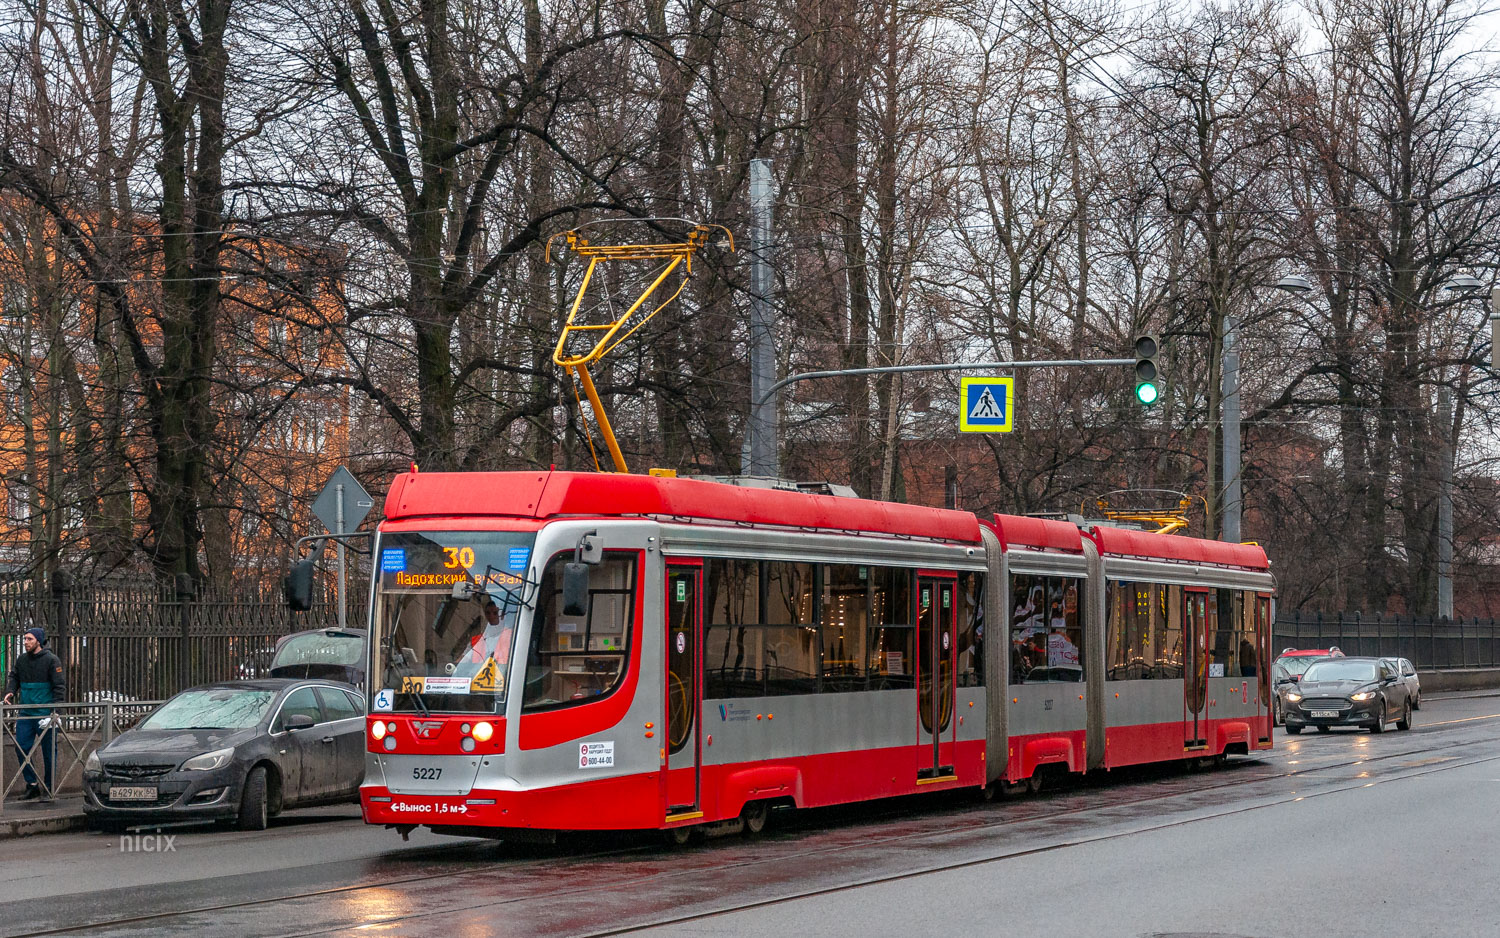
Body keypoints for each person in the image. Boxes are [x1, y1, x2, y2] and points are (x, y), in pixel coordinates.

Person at [3, 627, 66, 801]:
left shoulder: (52, 660)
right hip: (26, 713)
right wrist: (10, 691)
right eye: (24, 639)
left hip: (45, 715)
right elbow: (14, 677)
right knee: (21, 747)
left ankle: (49, 788)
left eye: (29, 639)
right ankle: (32, 785)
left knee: (48, 752)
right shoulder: (22, 660)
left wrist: (56, 712)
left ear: (38, 641)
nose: (26, 642)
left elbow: (59, 687)